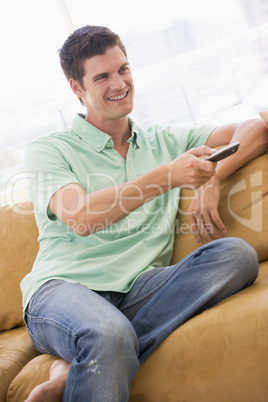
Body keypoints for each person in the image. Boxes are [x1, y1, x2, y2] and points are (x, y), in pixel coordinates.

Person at [21, 25, 268, 402]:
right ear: (77, 88)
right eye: (102, 76)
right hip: (63, 291)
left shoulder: (164, 140)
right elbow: (83, 217)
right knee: (107, 331)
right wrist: (169, 175)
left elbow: (258, 128)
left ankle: (80, 366)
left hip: (139, 290)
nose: (119, 82)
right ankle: (96, 349)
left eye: (123, 69)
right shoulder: (49, 150)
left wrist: (213, 176)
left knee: (235, 256)